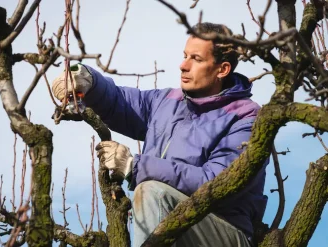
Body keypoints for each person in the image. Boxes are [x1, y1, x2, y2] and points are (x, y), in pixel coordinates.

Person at [52, 22, 268, 247]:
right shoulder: (168, 102)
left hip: (225, 231)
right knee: (151, 194)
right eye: (185, 56)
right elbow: (121, 102)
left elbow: (217, 182)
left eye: (196, 59)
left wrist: (134, 167)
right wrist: (88, 81)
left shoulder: (247, 118)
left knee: (151, 191)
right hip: (172, 225)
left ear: (222, 70)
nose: (183, 65)